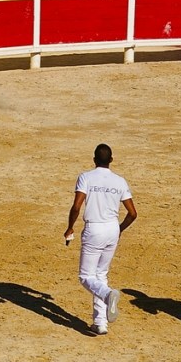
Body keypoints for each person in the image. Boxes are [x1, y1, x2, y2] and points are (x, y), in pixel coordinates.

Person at [63, 143, 137, 336]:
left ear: (94, 159)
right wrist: (119, 229)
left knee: (86, 276)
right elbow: (132, 213)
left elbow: (77, 206)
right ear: (111, 160)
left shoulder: (86, 177)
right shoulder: (120, 181)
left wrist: (70, 227)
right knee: (101, 274)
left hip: (94, 229)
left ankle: (107, 295)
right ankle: (100, 322)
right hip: (112, 229)